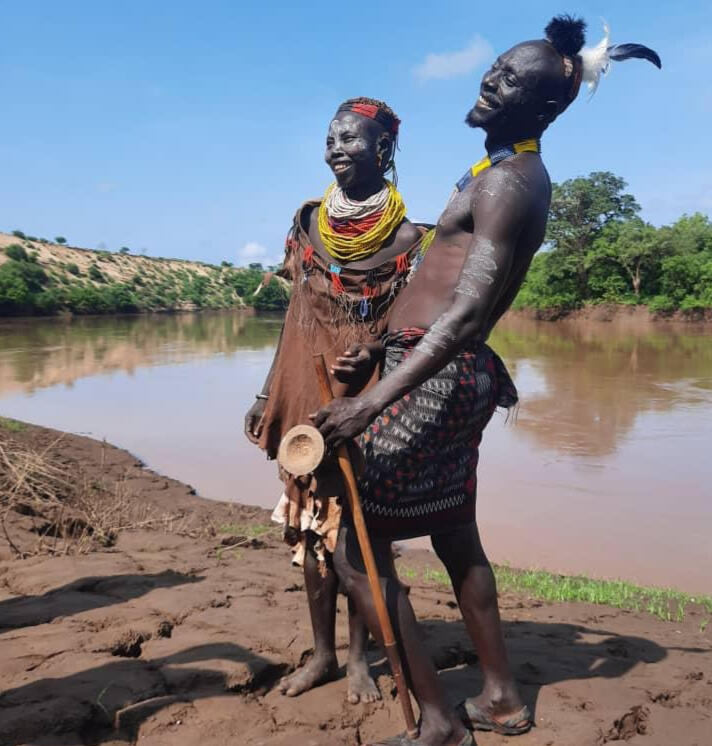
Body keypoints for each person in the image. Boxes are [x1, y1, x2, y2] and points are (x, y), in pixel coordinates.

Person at [314, 17, 661, 746]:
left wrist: (372, 401)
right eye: (496, 66)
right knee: (454, 537)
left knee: (356, 555)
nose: (491, 80)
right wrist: (376, 347)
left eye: (511, 79)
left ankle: (440, 721)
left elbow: (468, 311)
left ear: (544, 106)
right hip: (436, 369)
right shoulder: (499, 172)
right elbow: (439, 289)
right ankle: (501, 699)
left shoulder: (507, 183)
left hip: (434, 378)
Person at [245, 97, 430, 703]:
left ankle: (357, 660)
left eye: (350, 139)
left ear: (383, 149)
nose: (336, 149)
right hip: (304, 388)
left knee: (357, 530)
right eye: (330, 139)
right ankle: (322, 654)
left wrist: (374, 350)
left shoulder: (409, 239)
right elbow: (294, 314)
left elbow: (410, 331)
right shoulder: (306, 223)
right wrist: (267, 392)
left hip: (365, 400)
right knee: (309, 528)